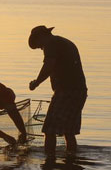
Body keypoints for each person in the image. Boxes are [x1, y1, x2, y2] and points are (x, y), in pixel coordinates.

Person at [28, 25, 87, 156]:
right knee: (69, 131)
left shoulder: (51, 43)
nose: (41, 49)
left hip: (67, 92)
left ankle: (49, 162)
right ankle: (71, 160)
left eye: (39, 46)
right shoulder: (63, 41)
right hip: (80, 91)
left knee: (49, 130)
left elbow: (48, 65)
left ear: (41, 37)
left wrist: (36, 83)